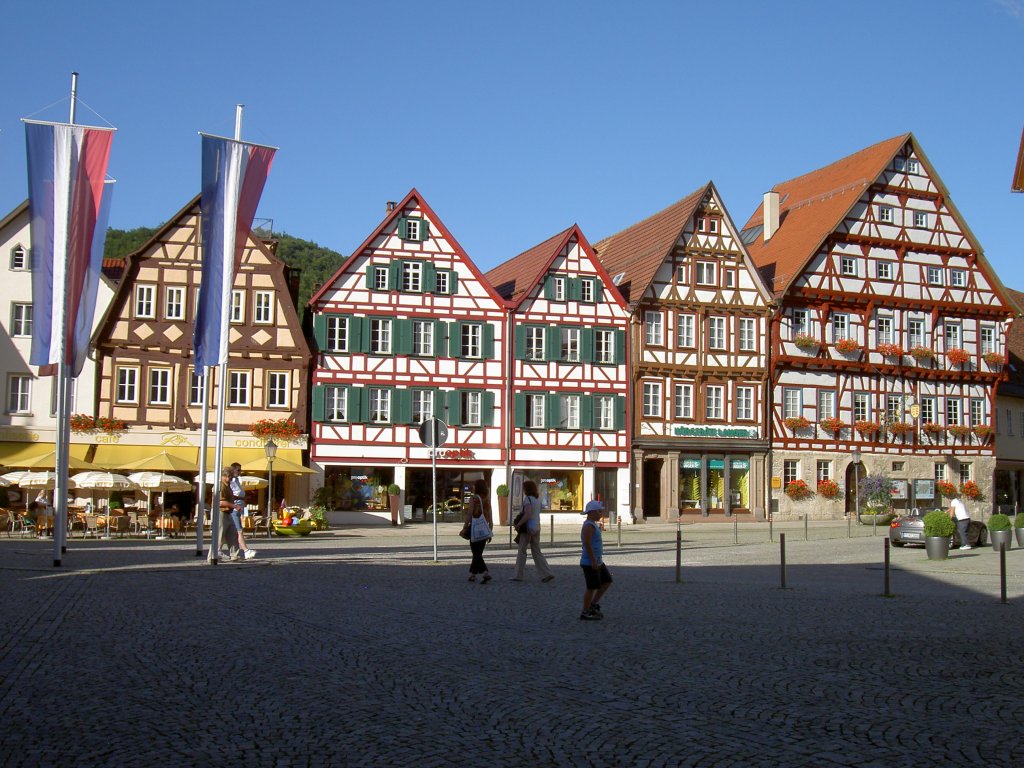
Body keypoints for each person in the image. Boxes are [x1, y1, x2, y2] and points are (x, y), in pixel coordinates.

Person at [510, 480, 554, 583]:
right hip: (537, 527)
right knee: (536, 551)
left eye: (524, 488)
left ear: (527, 489)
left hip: (527, 528)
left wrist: (519, 524)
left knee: (522, 551)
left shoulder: (528, 499)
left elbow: (528, 514)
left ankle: (518, 575)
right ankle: (546, 573)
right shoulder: (537, 499)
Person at [579, 499, 612, 620]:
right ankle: (585, 611)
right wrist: (593, 560)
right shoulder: (588, 526)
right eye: (599, 511)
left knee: (607, 580)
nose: (600, 513)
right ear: (592, 512)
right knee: (591, 587)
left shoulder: (593, 524)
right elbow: (587, 544)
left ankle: (593, 604)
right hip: (589, 561)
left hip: (598, 560)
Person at [464, 479, 492, 583]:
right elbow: (490, 513)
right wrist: (490, 528)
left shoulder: (473, 499)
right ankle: (472, 574)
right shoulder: (487, 499)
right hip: (485, 528)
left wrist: (465, 526)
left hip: (475, 528)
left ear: (477, 487)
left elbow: (469, 513)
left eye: (474, 485)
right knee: (478, 552)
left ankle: (485, 572)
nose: (473, 487)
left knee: (476, 553)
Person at [228, 463, 256, 560]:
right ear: (233, 470)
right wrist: (241, 497)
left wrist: (244, 498)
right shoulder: (230, 481)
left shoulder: (237, 480)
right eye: (239, 470)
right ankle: (246, 551)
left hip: (239, 507)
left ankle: (224, 552)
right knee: (239, 530)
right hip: (234, 508)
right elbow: (231, 495)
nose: (240, 472)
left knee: (232, 532)